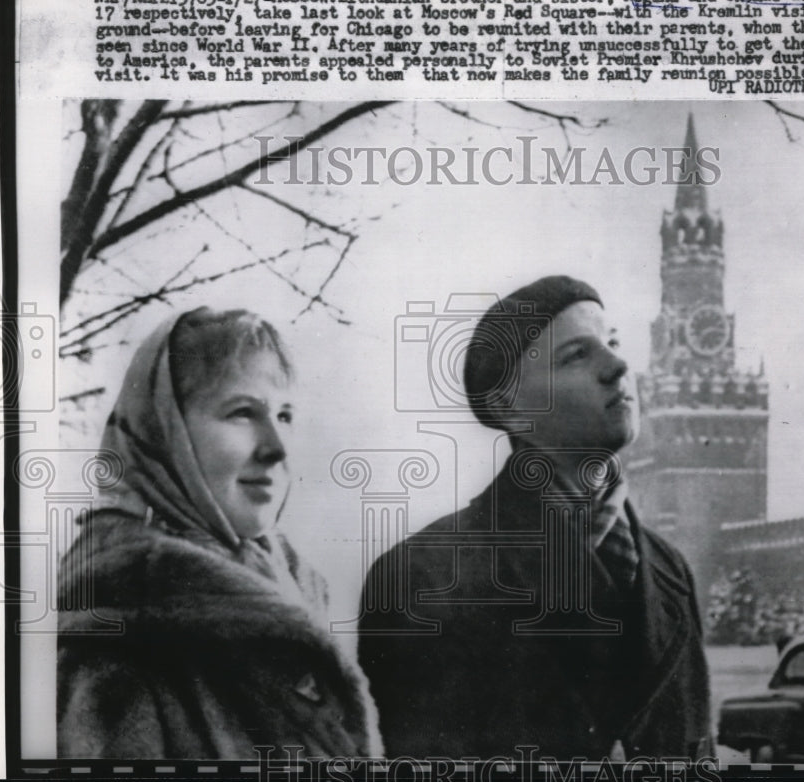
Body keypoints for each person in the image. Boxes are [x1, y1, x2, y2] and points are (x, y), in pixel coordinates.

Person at [357, 276, 711, 760]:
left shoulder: (671, 571)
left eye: (611, 343)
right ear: (508, 407)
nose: (619, 366)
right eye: (576, 356)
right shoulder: (425, 576)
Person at [58, 308, 381, 759]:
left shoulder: (290, 590)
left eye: (285, 415)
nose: (277, 448)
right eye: (242, 412)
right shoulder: (117, 646)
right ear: (165, 433)